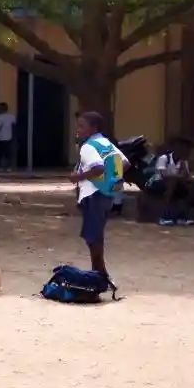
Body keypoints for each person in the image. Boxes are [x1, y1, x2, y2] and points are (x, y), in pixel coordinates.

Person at [71, 112, 122, 280]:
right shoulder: (106, 143)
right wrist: (110, 182)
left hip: (93, 195)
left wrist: (78, 177)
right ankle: (100, 272)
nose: (78, 130)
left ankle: (99, 274)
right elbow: (124, 163)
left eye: (82, 126)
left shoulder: (88, 146)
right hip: (106, 195)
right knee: (96, 235)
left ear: (93, 128)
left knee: (93, 237)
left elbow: (98, 167)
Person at [151, 139, 194, 226]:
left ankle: (182, 217)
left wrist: (183, 167)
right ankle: (164, 217)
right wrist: (180, 176)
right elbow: (164, 175)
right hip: (158, 183)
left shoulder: (183, 161)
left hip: (175, 184)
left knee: (189, 189)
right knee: (172, 184)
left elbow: (186, 176)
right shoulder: (164, 158)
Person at [0, 102, 16, 171]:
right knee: (8, 153)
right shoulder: (11, 116)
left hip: (0, 138)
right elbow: (14, 126)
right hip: (9, 137)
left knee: (0, 153)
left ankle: (0, 167)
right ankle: (9, 167)